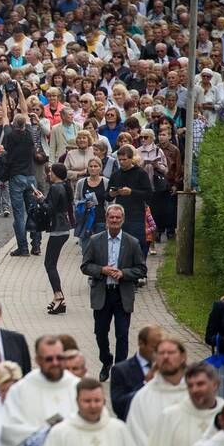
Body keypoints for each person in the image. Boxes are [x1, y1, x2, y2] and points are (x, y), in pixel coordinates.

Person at [80, 204, 147, 381]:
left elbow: (141, 269)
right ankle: (106, 360)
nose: (115, 221)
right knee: (100, 333)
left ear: (123, 220)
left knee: (122, 334)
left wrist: (123, 273)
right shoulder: (95, 240)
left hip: (122, 294)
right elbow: (85, 266)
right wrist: (102, 270)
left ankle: (120, 371)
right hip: (103, 293)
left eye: (118, 218)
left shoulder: (132, 242)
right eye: (112, 218)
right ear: (107, 219)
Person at [126, 337, 190, 446]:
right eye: (161, 353)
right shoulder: (143, 397)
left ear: (183, 357)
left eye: (171, 352)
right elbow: (136, 436)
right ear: (155, 358)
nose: (166, 357)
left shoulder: (195, 393)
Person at [32, 162, 73, 314]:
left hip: (58, 229)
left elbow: (50, 209)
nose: (48, 174)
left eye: (50, 172)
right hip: (63, 228)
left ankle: (59, 296)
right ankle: (57, 297)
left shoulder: (56, 188)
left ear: (55, 174)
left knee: (50, 264)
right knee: (51, 263)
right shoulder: (64, 186)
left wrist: (40, 200)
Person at [109, 324, 164, 421]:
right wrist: (145, 384)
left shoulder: (166, 368)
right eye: (154, 348)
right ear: (141, 343)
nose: (158, 352)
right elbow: (118, 406)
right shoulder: (120, 370)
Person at [106, 144, 153, 256]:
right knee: (122, 247)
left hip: (136, 214)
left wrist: (131, 192)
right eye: (119, 160)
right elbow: (107, 195)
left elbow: (149, 194)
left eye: (124, 159)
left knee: (137, 245)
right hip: (120, 215)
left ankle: (140, 269)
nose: (121, 162)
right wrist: (112, 193)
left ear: (131, 158)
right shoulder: (116, 174)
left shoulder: (140, 173)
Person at [74, 157, 107, 258]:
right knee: (86, 248)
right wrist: (83, 203)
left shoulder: (106, 182)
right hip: (86, 220)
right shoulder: (81, 183)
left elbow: (110, 202)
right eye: (91, 166)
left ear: (100, 168)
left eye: (96, 166)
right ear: (87, 168)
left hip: (101, 218)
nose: (93, 168)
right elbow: (76, 200)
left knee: (101, 249)